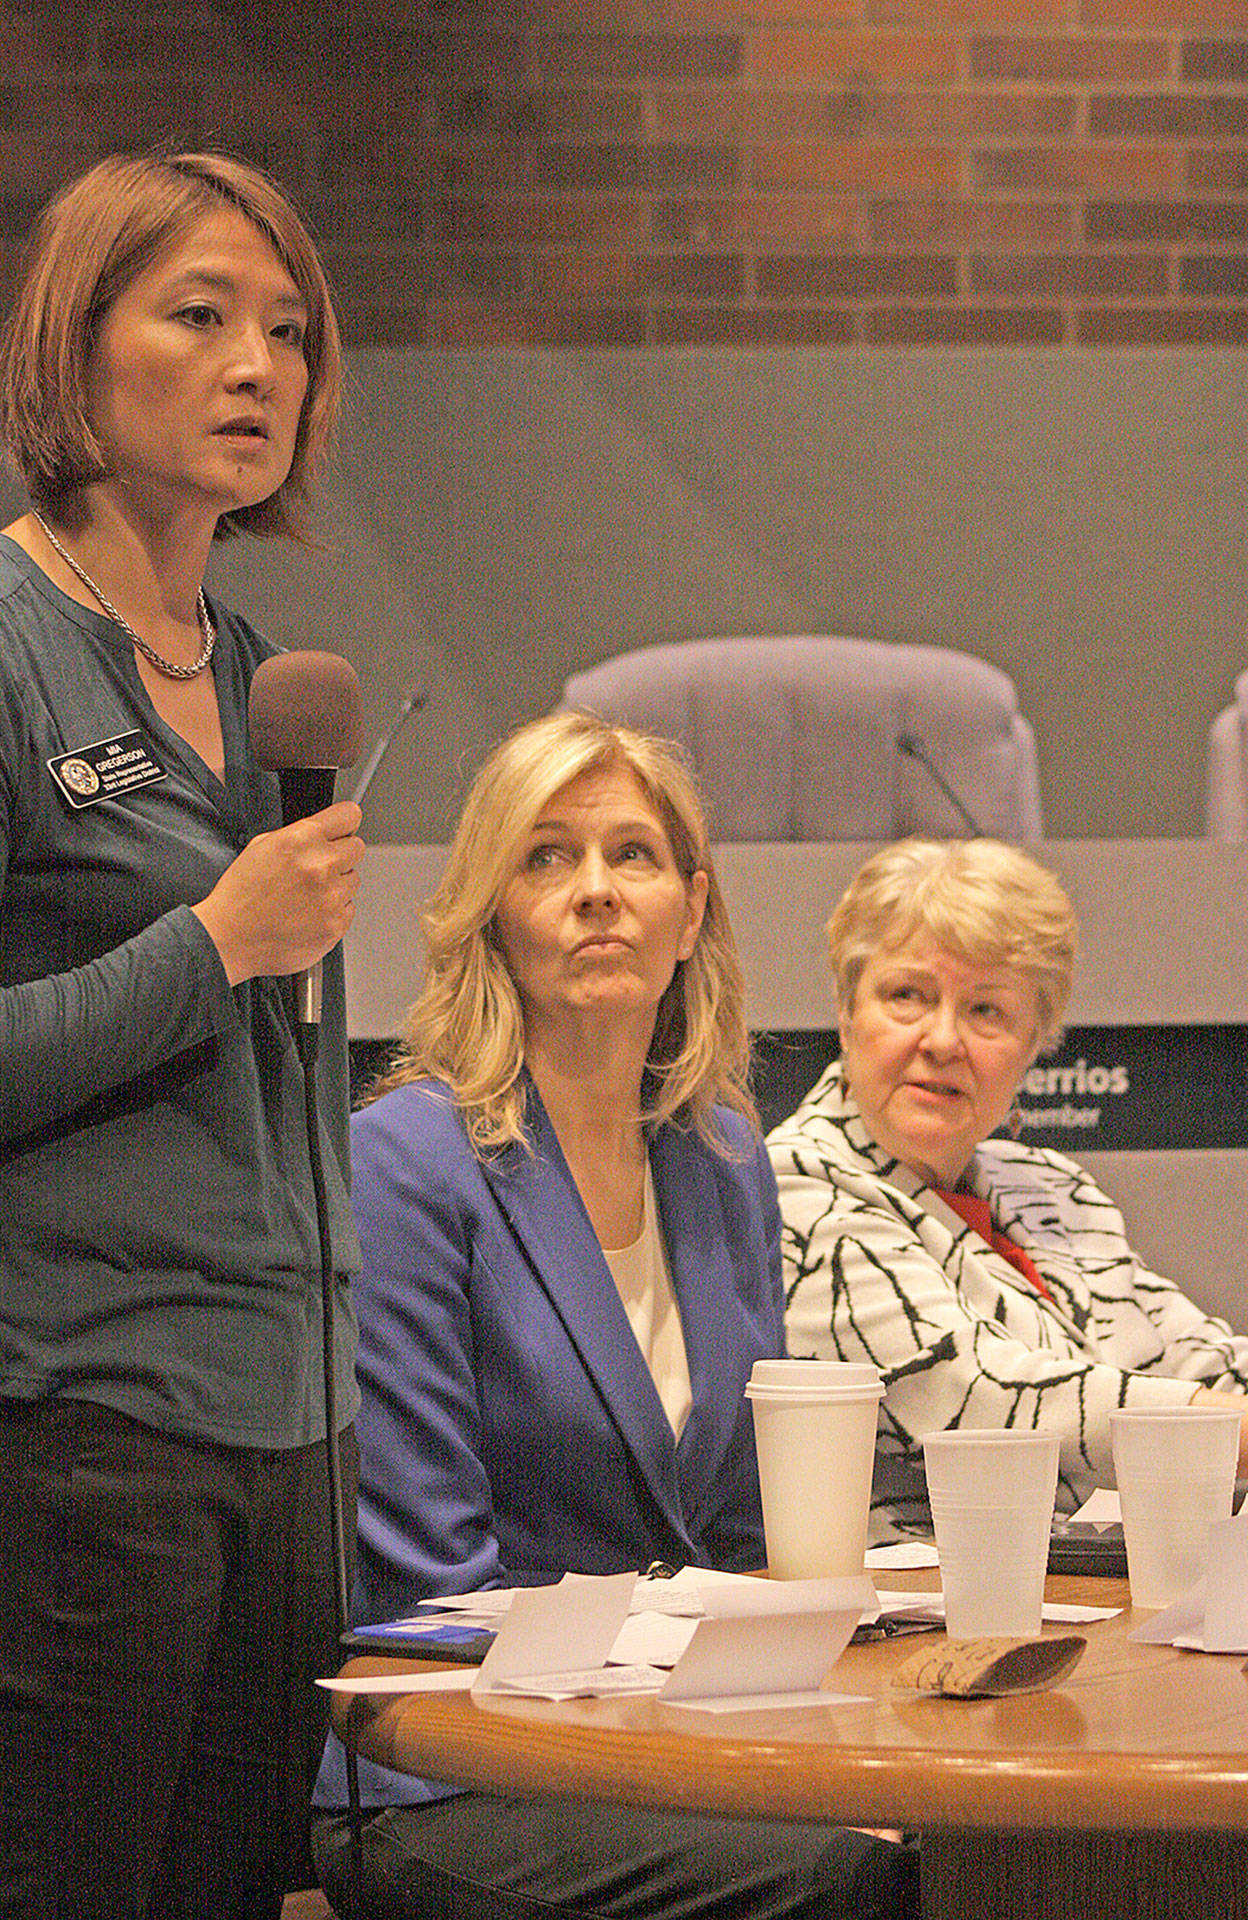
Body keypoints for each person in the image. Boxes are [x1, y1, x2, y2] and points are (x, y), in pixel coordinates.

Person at [312, 711, 919, 1920]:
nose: (595, 891)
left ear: (690, 912)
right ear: (490, 913)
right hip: (457, 1773)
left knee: (963, 1848)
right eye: (546, 857)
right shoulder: (408, 1162)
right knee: (846, 1878)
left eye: (631, 856)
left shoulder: (722, 1157)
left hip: (676, 1737)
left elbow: (747, 1536)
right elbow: (430, 1592)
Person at [0, 152, 366, 1918]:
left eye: (286, 330)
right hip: (81, 1428)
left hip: (292, 1435)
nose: (257, 366)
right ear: (76, 345)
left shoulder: (268, 674)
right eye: (199, 315)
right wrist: (207, 949)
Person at [767, 836, 1248, 1542]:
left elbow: (1190, 1352)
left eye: (986, 1011)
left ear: (1033, 1044)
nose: (942, 1039)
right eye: (907, 996)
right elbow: (979, 1398)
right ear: (847, 1013)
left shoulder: (1055, 1189)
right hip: (914, 1618)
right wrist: (1231, 1433)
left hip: (1097, 1597)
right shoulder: (792, 1189)